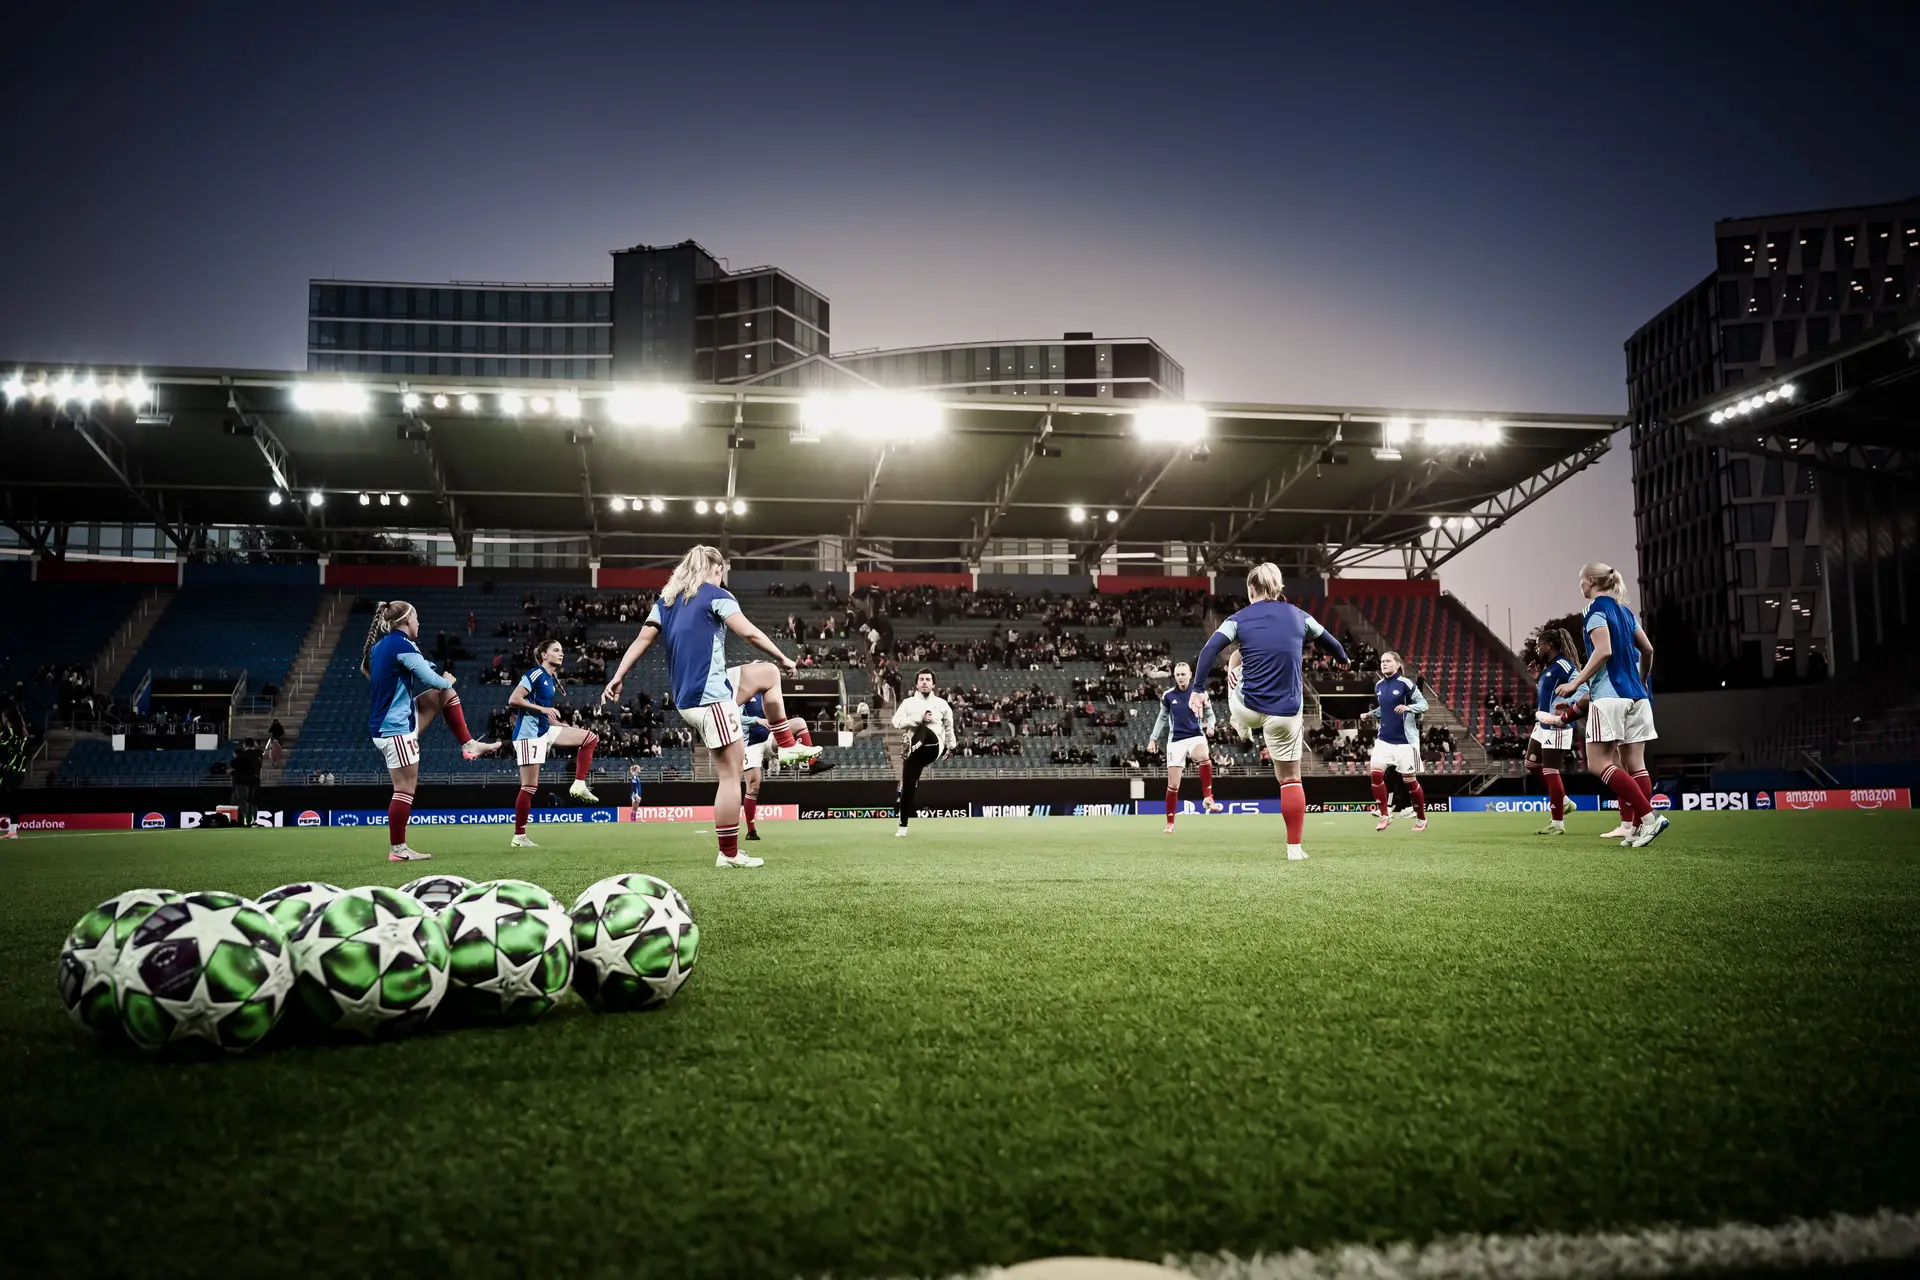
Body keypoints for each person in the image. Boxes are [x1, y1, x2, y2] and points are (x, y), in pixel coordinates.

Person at [602, 545, 814, 869]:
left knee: (767, 674)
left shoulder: (666, 602)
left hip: (691, 696)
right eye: (721, 571)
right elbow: (749, 633)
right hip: (710, 697)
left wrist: (618, 676)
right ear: (714, 568)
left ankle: (786, 746)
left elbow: (642, 640)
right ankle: (728, 854)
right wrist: (784, 656)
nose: (722, 577)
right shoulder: (717, 595)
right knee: (730, 777)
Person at [1191, 563, 1349, 861]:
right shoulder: (1300, 615)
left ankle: (1239, 722)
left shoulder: (1237, 619)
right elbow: (1332, 642)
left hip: (1248, 706)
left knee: (1235, 661)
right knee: (1290, 779)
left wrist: (1198, 688)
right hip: (1286, 714)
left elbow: (1209, 650)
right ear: (1278, 588)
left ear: (1250, 590)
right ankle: (1294, 849)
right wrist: (1342, 658)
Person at [1557, 562, 1666, 848]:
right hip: (1637, 697)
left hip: (1609, 696)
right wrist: (1642, 680)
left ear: (1591, 580)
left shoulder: (1594, 610)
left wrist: (1573, 683)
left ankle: (1650, 817)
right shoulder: (1627, 612)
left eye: (1581, 580)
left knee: (1599, 763)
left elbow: (1603, 651)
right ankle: (1640, 828)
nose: (1580, 585)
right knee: (1636, 764)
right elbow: (1648, 650)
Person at [363, 600, 471, 862]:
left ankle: (468, 743)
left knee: (442, 696)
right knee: (405, 787)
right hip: (394, 727)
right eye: (417, 618)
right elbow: (432, 680)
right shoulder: (402, 644)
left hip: (393, 721)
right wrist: (448, 680)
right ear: (406, 621)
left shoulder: (380, 646)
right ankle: (398, 849)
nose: (419, 623)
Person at [503, 639, 601, 849]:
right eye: (556, 650)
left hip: (544, 729)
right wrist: (544, 711)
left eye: (562, 651)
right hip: (528, 735)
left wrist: (557, 723)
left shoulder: (550, 678)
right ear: (544, 655)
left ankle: (579, 784)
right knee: (529, 787)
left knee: (589, 738)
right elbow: (514, 699)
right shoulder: (535, 674)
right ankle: (519, 837)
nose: (561, 654)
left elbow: (542, 711)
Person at [1148, 661, 1222, 833]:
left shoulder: (1200, 693)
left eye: (1183, 674)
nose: (1181, 677)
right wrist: (1153, 738)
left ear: (1190, 675)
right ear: (1175, 676)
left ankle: (1208, 798)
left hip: (1195, 735)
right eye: (1178, 674)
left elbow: (1211, 715)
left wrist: (1210, 726)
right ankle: (1170, 823)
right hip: (1176, 740)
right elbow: (1161, 718)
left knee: (1204, 756)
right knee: (1173, 785)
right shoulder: (1168, 696)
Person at [1528, 628, 1588, 835]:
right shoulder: (1549, 668)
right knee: (1531, 764)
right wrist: (1538, 678)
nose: (1536, 648)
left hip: (1556, 726)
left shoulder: (1564, 665)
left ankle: (1557, 824)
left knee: (1550, 771)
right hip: (1542, 724)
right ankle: (1565, 801)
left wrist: (1568, 704)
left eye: (1538, 645)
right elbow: (1549, 693)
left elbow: (1583, 689)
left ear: (1549, 646)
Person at [1363, 651, 1429, 832]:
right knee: (1376, 774)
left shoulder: (1405, 684)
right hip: (1384, 739)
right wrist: (1371, 714)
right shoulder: (1379, 685)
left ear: (1397, 664)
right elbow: (1385, 709)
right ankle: (1385, 815)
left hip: (1405, 741)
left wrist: (1409, 707)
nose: (1384, 664)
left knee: (1409, 780)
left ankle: (1421, 818)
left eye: (1388, 661)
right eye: (1382, 661)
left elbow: (1423, 704)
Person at [890, 668, 956, 837]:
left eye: (928, 679)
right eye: (921, 680)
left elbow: (949, 726)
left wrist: (951, 747)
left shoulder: (941, 704)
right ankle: (902, 827)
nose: (925, 682)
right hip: (914, 752)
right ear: (916, 684)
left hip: (933, 746)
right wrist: (917, 718)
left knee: (923, 730)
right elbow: (896, 721)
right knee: (908, 789)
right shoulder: (908, 703)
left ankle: (910, 747)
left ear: (933, 684)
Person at [230, 737, 264, 828]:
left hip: (243, 782)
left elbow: (233, 764)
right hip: (255, 782)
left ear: (245, 745)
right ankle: (253, 821)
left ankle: (245, 821)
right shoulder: (258, 756)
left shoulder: (243, 755)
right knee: (253, 803)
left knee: (243, 801)